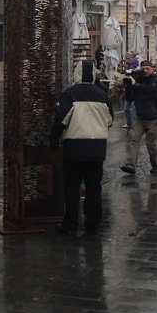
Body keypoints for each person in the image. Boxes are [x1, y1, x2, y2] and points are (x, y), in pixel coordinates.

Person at [50, 59, 113, 235]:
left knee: (71, 186)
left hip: (74, 146)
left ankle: (70, 223)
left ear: (76, 74)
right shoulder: (103, 95)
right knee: (94, 187)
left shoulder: (70, 94)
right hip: (97, 147)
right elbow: (109, 121)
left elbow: (61, 119)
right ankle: (93, 223)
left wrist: (54, 140)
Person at [120, 60, 157, 175]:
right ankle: (130, 165)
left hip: (154, 118)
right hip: (140, 117)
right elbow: (129, 99)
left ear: (152, 69)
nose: (145, 71)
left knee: (151, 144)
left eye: (147, 68)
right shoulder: (139, 81)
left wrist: (135, 85)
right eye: (143, 68)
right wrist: (129, 87)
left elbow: (150, 90)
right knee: (134, 141)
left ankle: (156, 165)